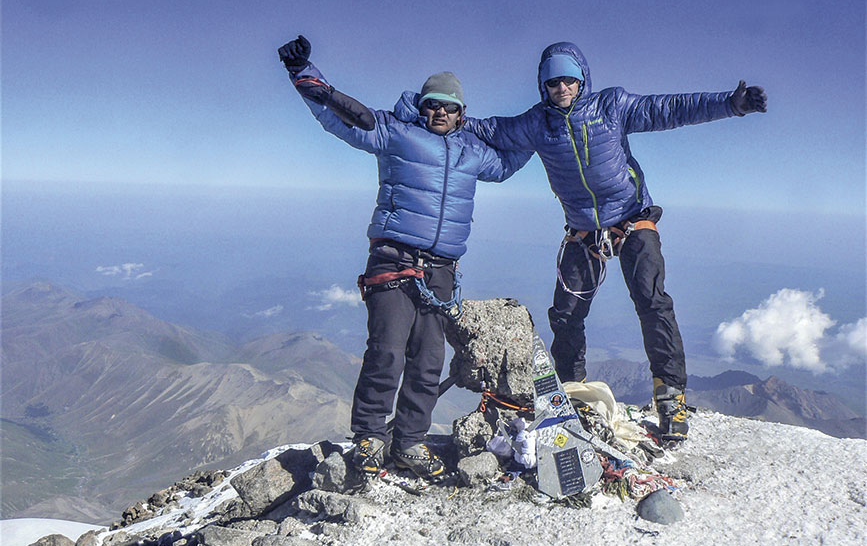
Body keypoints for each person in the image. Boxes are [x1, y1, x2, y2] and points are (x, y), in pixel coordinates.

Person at [464, 41, 767, 441]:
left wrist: (732, 104)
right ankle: (570, 394)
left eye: (570, 79)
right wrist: (442, 114)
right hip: (583, 231)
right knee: (567, 314)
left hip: (632, 219)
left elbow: (670, 110)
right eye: (554, 82)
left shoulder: (611, 107)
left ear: (582, 79)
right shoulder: (537, 123)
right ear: (543, 85)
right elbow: (492, 130)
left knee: (651, 300)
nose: (562, 88)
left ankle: (670, 396)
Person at [277, 35, 531, 479]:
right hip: (395, 259)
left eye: (449, 107)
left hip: (441, 272)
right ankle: (370, 439)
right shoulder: (397, 133)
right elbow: (342, 119)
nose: (439, 113)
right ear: (421, 105)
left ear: (461, 113)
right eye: (432, 104)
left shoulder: (474, 152)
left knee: (429, 360)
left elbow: (507, 164)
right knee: (387, 352)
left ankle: (409, 443)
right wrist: (303, 74)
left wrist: (540, 133)